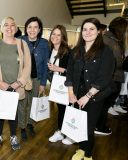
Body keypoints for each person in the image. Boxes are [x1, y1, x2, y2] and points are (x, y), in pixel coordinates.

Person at [65, 18, 115, 160]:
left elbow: (103, 78)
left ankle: (88, 154)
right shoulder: (76, 50)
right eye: (85, 29)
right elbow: (69, 72)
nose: (87, 32)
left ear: (99, 31)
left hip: (94, 96)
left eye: (91, 29)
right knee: (77, 125)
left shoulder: (106, 51)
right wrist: (70, 93)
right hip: (76, 93)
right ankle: (81, 148)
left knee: (87, 128)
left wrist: (87, 96)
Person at [0, 17, 31, 150]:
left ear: (16, 28)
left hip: (16, 86)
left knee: (13, 112)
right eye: (6, 25)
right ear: (2, 28)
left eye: (12, 25)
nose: (9, 27)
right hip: (0, 86)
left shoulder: (22, 44)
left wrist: (20, 82)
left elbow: (28, 65)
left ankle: (13, 136)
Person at [17, 17, 49, 141]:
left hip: (37, 78)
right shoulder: (20, 40)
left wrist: (43, 83)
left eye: (35, 27)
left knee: (33, 103)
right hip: (23, 79)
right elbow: (6, 44)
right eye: (30, 27)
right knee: (22, 104)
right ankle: (22, 128)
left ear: (39, 29)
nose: (32, 30)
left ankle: (29, 124)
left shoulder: (44, 43)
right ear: (26, 29)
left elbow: (46, 66)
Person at [95, 17, 128, 135]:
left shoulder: (112, 39)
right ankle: (98, 126)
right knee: (104, 105)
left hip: (113, 76)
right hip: (111, 78)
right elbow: (115, 62)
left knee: (104, 104)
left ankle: (98, 125)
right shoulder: (109, 40)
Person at [47, 25, 73, 145]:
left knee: (68, 109)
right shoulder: (50, 50)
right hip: (55, 85)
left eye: (58, 34)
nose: (55, 37)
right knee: (61, 109)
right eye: (53, 34)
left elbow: (73, 72)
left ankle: (68, 133)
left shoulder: (68, 52)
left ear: (63, 37)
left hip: (66, 85)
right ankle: (60, 132)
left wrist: (59, 69)